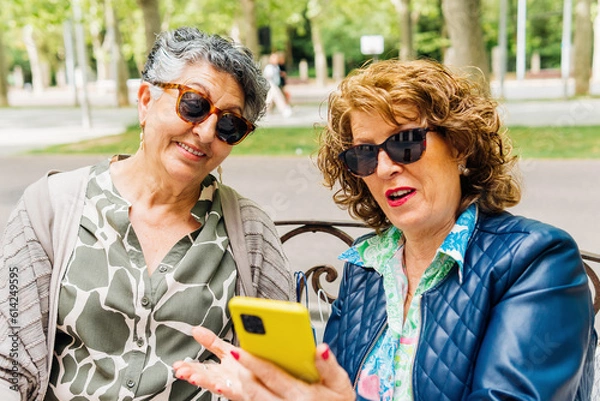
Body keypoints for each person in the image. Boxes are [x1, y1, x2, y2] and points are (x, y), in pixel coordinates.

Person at [172, 58, 597, 400]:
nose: (386, 167)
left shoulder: (536, 259)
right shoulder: (366, 266)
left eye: (405, 142)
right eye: (363, 154)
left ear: (460, 145)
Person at [0, 27, 294, 401]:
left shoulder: (249, 230)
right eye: (193, 104)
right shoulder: (50, 207)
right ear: (144, 101)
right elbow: (9, 362)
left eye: (229, 124)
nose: (205, 132)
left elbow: (283, 370)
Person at [263, 52, 292, 117]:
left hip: (275, 84)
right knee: (277, 95)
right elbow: (267, 77)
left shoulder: (276, 67)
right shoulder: (269, 67)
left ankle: (265, 111)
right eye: (274, 58)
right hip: (271, 85)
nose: (276, 60)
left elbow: (277, 75)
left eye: (277, 58)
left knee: (269, 99)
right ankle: (284, 109)